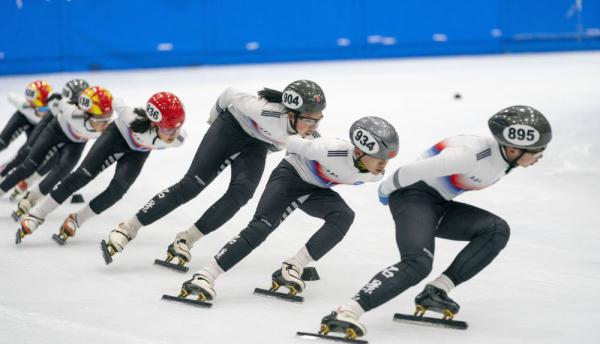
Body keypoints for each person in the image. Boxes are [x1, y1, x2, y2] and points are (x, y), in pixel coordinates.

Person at [317, 105, 552, 341]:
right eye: (537, 151)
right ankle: (346, 312)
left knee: (496, 230)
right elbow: (409, 171)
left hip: (437, 203)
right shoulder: (469, 155)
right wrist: (386, 192)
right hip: (412, 196)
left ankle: (436, 291)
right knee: (418, 263)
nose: (539, 157)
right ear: (513, 148)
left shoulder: (504, 159)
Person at [100, 80, 326, 265]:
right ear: (290, 115)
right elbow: (229, 94)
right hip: (231, 127)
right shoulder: (265, 111)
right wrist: (214, 123)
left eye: (318, 120)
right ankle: (128, 228)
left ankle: (186, 240)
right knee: (192, 185)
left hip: (257, 144)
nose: (313, 126)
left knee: (242, 193)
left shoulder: (307, 132)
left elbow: (313, 148)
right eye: (309, 121)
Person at [175, 116, 399, 302]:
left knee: (344, 216)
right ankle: (205, 275)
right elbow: (289, 141)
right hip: (289, 178)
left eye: (386, 160)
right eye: (379, 159)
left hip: (315, 189)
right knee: (260, 228)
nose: (383, 165)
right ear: (360, 152)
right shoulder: (331, 150)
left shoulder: (374, 173)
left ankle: (292, 267)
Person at [17, 92, 187, 244]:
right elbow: (116, 100)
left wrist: (173, 130)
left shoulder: (178, 140)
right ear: (154, 124)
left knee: (117, 191)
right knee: (82, 176)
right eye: (169, 130)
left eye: (177, 128)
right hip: (115, 137)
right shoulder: (132, 117)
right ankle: (37, 214)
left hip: (138, 152)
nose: (174, 134)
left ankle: (77, 220)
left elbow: (174, 132)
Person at [0, 86, 113, 207]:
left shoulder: (105, 125)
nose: (106, 124)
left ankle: (32, 197)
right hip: (56, 132)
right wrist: (51, 100)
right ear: (86, 115)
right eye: (102, 119)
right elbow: (61, 102)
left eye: (109, 117)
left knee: (62, 171)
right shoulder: (72, 113)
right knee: (29, 165)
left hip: (77, 142)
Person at [0, 80, 52, 153]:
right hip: (22, 117)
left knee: (27, 153)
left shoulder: (52, 107)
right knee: (2, 142)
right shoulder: (22, 104)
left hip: (37, 125)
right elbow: (11, 96)